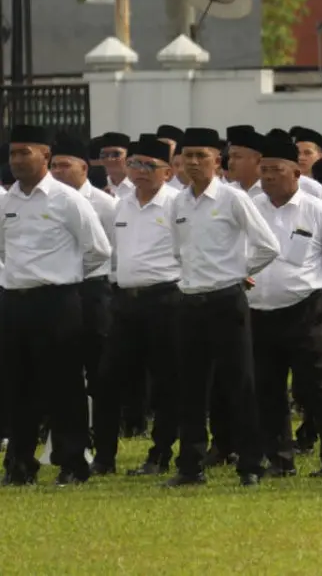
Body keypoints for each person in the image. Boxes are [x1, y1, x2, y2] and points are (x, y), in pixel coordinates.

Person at [165, 127, 280, 488]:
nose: (194, 162)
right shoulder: (178, 202)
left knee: (239, 383)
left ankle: (250, 464)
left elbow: (268, 245)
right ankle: (190, 466)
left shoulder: (233, 198)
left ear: (217, 160)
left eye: (202, 155)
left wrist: (239, 273)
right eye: (188, 156)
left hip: (225, 300)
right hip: (190, 301)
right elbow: (177, 251)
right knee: (191, 387)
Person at [0, 124, 111, 486]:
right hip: (15, 301)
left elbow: (99, 250)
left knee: (64, 385)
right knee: (18, 384)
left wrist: (66, 278)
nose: (17, 160)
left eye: (25, 153)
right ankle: (19, 463)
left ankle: (72, 461)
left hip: (57, 302)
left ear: (45, 155)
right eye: (13, 153)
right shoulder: (7, 201)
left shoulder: (67, 200)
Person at [250, 134, 322, 478]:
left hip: (306, 310)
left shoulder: (317, 209)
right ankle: (279, 460)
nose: (268, 176)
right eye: (264, 170)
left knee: (320, 387)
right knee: (267, 388)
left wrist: (315, 280)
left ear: (296, 173)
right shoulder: (251, 207)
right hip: (259, 310)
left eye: (276, 170)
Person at [92, 134, 183, 476]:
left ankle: (160, 454)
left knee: (166, 382)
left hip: (166, 300)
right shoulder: (122, 204)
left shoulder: (178, 205)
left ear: (167, 173)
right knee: (107, 379)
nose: (140, 171)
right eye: (135, 164)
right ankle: (104, 457)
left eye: (149, 165)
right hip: (125, 302)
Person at [47, 134, 118, 442]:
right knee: (64, 367)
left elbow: (113, 251)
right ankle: (69, 438)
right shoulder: (48, 201)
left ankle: (103, 440)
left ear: (84, 169)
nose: (57, 172)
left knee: (100, 370)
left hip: (94, 291)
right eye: (54, 166)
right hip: (60, 293)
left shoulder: (105, 205)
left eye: (65, 165)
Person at [98, 132, 135, 200]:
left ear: (129, 157)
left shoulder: (139, 186)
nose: (109, 159)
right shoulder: (98, 186)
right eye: (104, 155)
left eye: (116, 154)